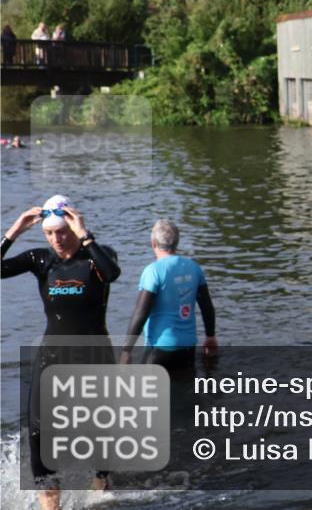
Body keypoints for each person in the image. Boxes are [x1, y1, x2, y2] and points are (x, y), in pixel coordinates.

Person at [1, 195, 120, 510]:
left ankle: (101, 480)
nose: (57, 240)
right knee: (39, 431)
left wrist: (85, 234)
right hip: (52, 357)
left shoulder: (98, 256)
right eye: (50, 234)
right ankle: (49, 503)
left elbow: (111, 274)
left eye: (62, 232)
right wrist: (13, 232)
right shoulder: (41, 260)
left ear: (72, 225)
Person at [121, 219, 217, 372]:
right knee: (186, 392)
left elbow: (141, 312)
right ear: (177, 242)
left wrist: (127, 349)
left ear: (153, 243)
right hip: (188, 347)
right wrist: (210, 337)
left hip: (160, 348)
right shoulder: (194, 267)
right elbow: (207, 306)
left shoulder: (153, 271)